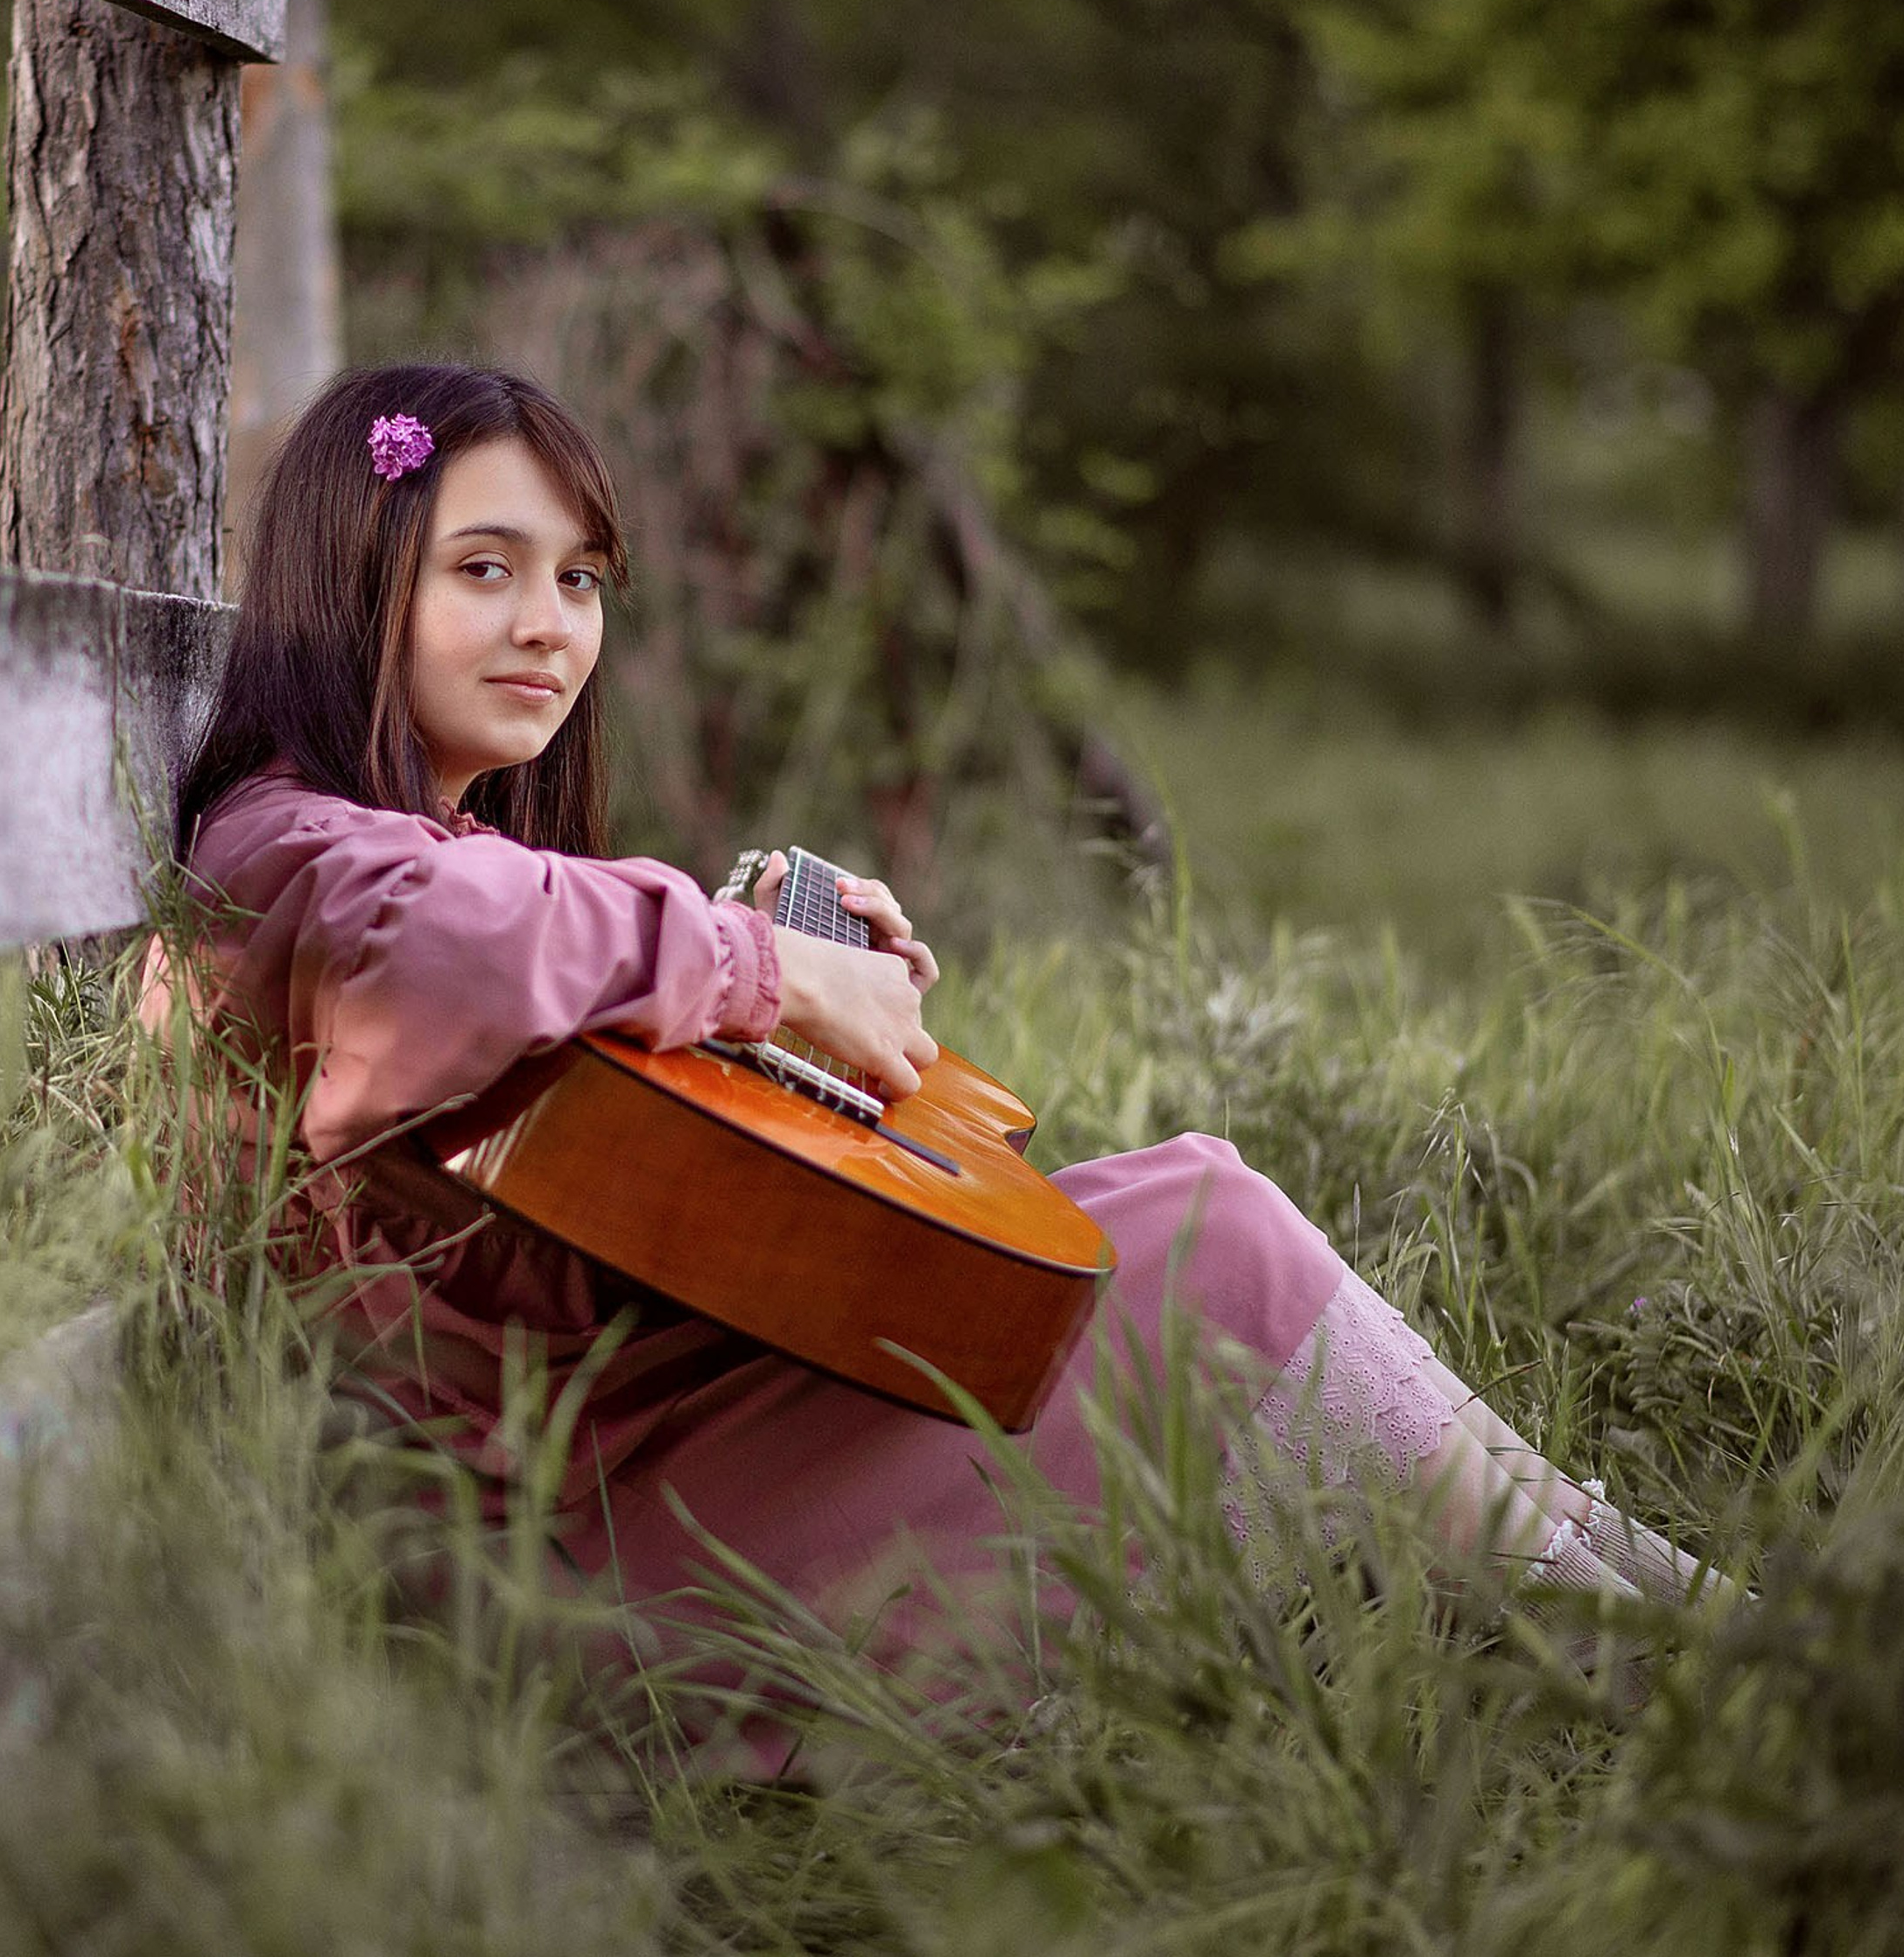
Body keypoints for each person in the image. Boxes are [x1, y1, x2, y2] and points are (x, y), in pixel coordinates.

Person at [160, 361, 1722, 1762]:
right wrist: (769, 974)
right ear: (359, 582)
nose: (548, 624)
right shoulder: (297, 853)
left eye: (580, 578)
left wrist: (751, 973)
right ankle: (1664, 1646)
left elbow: (533, 1008)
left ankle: (1616, 1584)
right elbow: (441, 932)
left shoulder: (428, 843)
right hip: (547, 1577)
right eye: (482, 570)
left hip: (614, 1473)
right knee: (1204, 1245)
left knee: (1187, 1212)